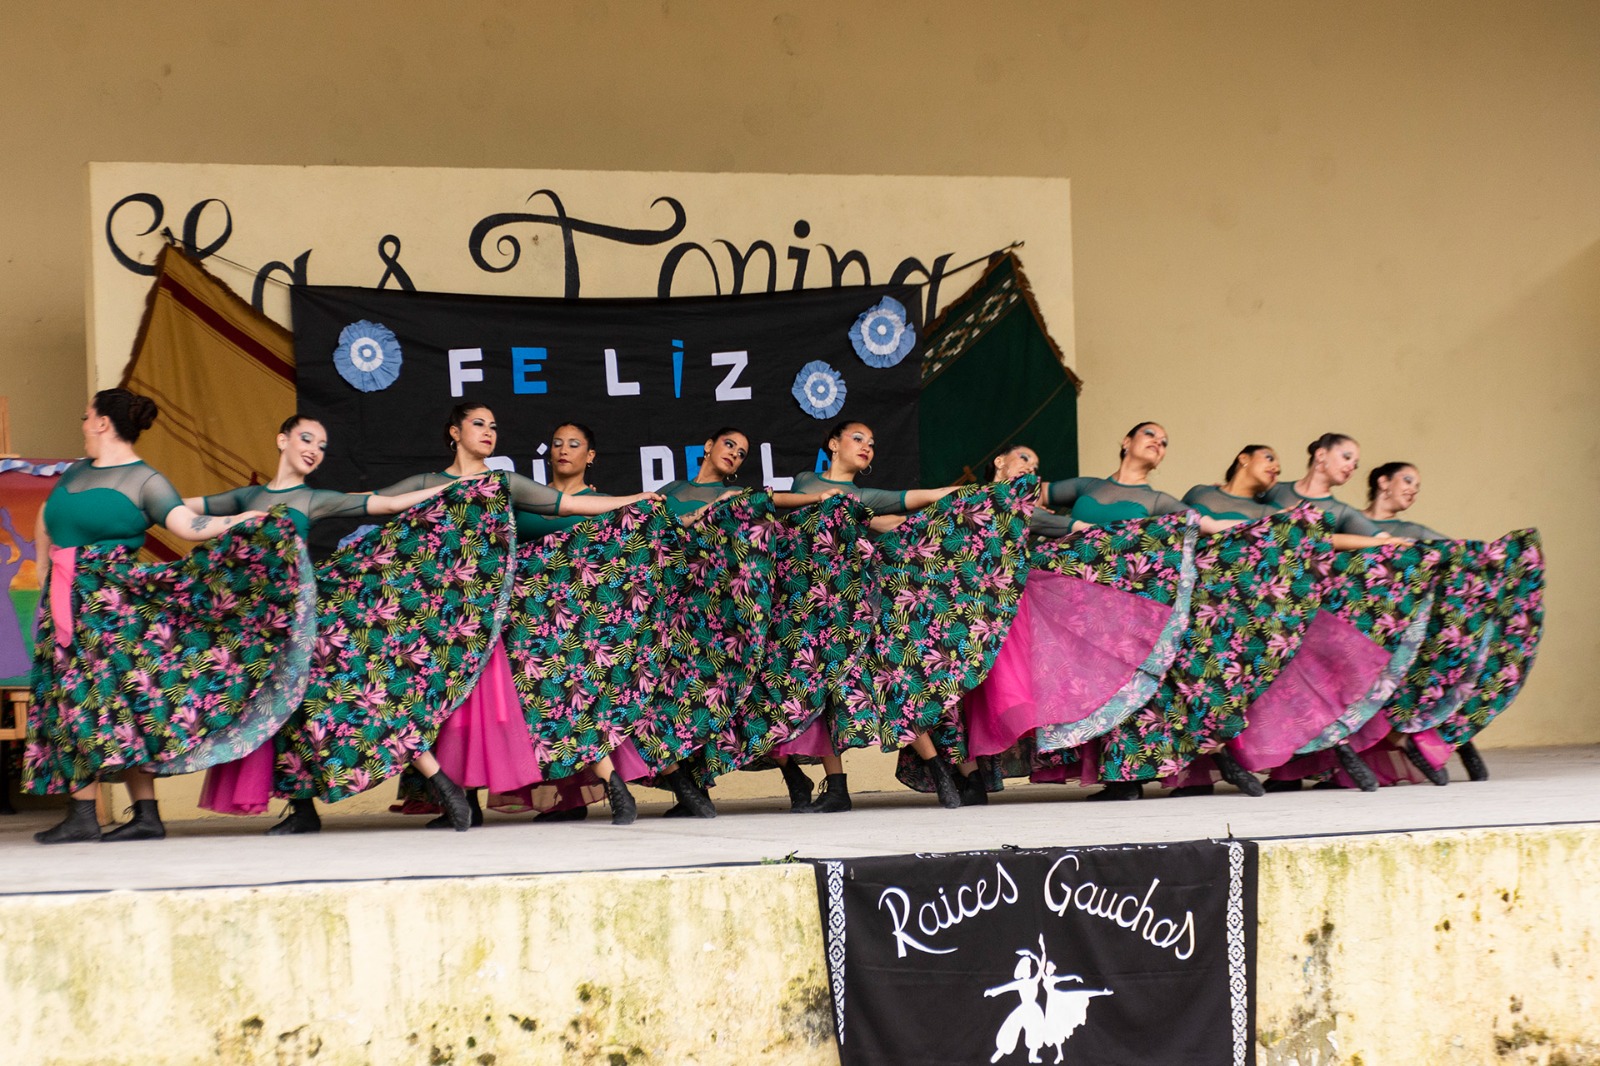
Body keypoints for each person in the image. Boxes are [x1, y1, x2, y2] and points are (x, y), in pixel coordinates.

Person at [269, 403, 661, 833]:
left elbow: (566, 506)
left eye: (494, 425)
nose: (489, 431)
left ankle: (614, 787)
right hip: (434, 620)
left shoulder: (501, 484)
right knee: (409, 699)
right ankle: (451, 802)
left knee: (547, 692)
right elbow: (380, 511)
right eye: (478, 424)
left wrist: (635, 500)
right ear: (454, 432)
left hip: (489, 617)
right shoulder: (428, 484)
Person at [26, 388, 295, 844]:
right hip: (65, 600)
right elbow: (48, 518)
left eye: (86, 415)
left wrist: (246, 519)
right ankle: (93, 812)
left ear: (102, 423)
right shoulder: (75, 472)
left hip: (112, 607)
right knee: (68, 703)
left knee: (123, 703)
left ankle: (131, 814)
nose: (83, 422)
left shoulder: (145, 480)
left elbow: (188, 526)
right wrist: (44, 568)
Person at [189, 414, 475, 832]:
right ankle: (303, 811)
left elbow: (387, 503)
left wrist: (458, 488)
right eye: (307, 439)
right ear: (281, 439)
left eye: (321, 446)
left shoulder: (312, 499)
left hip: (308, 618)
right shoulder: (247, 497)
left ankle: (444, 787)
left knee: (366, 697)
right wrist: (141, 502)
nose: (314, 450)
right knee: (285, 718)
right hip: (266, 627)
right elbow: (182, 509)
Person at [766, 419, 961, 813]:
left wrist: (956, 497)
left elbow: (903, 506)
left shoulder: (862, 498)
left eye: (872, 442)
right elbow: (773, 509)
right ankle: (837, 788)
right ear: (833, 444)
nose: (867, 446)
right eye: (858, 438)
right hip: (806, 609)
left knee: (887, 685)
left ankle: (939, 770)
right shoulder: (806, 481)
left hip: (855, 610)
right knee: (814, 694)